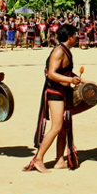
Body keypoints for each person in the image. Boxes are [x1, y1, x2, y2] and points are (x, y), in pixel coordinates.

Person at [24, 24, 84, 172]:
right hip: (55, 93)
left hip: (62, 92)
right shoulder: (58, 52)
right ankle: (38, 159)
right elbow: (51, 73)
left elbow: (67, 73)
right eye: (75, 35)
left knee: (63, 128)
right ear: (70, 37)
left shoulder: (66, 51)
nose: (77, 38)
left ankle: (59, 161)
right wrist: (70, 81)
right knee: (57, 127)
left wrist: (84, 81)